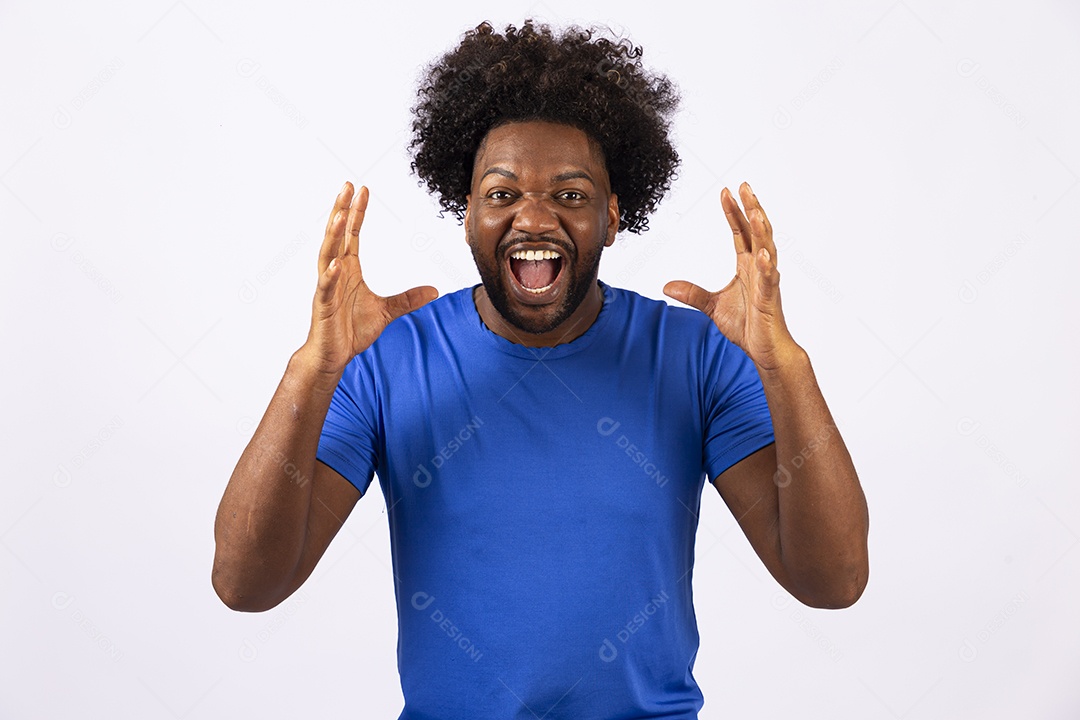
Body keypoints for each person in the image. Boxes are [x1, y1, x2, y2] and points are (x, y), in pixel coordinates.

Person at [213, 20, 869, 719]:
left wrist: (785, 365)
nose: (533, 216)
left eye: (570, 194)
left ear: (613, 217)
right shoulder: (388, 362)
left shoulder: (693, 355)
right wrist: (311, 370)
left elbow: (832, 581)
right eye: (501, 194)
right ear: (464, 214)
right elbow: (245, 584)